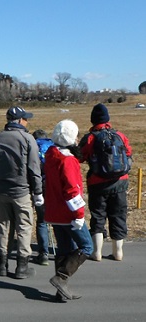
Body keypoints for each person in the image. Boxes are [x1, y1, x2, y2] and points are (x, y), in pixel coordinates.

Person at [0, 106, 44, 279]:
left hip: (1, 190)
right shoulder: (27, 138)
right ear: (20, 120)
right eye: (25, 118)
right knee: (24, 227)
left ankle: (2, 265)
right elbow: (34, 168)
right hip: (22, 191)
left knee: (4, 226)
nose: (27, 121)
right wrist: (38, 191)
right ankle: (22, 266)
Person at [44, 119, 93, 302]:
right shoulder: (68, 160)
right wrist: (79, 214)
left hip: (54, 212)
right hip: (68, 214)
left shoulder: (51, 156)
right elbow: (73, 190)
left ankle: (61, 291)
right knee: (87, 246)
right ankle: (61, 278)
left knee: (64, 250)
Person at [78, 103, 132, 261]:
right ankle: (118, 252)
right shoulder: (120, 135)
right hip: (120, 182)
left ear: (93, 120)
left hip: (97, 183)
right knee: (118, 216)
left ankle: (97, 252)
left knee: (98, 216)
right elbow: (128, 153)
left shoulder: (90, 138)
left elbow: (80, 157)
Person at [32, 129, 54, 266]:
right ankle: (64, 251)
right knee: (58, 220)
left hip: (39, 187)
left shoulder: (33, 147)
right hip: (54, 187)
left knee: (42, 221)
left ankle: (43, 254)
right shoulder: (53, 146)